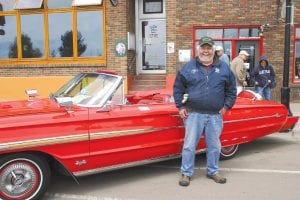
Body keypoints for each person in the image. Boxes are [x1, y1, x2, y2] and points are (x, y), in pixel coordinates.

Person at [173, 36, 237, 186]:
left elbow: (232, 91)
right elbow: (177, 88)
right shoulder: (188, 67)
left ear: (213, 50)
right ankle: (186, 173)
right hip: (193, 114)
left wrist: (226, 106)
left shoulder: (224, 68)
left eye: (209, 48)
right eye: (203, 48)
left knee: (214, 146)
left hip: (215, 115)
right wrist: (180, 107)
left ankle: (213, 171)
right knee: (189, 145)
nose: (206, 51)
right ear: (198, 49)